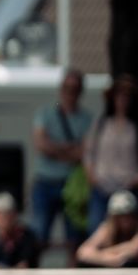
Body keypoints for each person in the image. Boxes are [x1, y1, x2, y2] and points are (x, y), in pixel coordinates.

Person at [29, 69, 90, 252]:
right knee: (38, 236)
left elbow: (84, 153)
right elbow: (41, 144)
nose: (70, 92)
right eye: (66, 88)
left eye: (75, 89)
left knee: (74, 239)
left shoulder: (87, 118)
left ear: (80, 91)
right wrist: (69, 148)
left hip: (72, 186)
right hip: (45, 182)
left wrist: (55, 148)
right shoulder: (46, 113)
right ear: (60, 89)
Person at [84, 75, 138, 235]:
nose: (122, 100)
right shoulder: (101, 123)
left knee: (127, 232)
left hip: (128, 186)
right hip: (102, 185)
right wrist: (91, 174)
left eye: (127, 96)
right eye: (119, 96)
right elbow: (89, 153)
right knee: (95, 228)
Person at [77, 189, 138, 268]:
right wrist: (109, 259)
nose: (125, 220)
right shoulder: (107, 228)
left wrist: (103, 253)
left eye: (128, 215)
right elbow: (83, 252)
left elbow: (135, 248)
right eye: (120, 216)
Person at [0, 192, 40, 268]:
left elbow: (23, 267)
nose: (3, 219)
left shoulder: (27, 238)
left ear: (15, 215)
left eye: (7, 214)